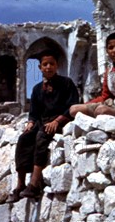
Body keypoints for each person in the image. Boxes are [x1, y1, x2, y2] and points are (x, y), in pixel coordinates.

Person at [7, 50, 79, 201]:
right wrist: (31, 122)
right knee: (24, 138)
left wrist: (57, 121)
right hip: (42, 120)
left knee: (42, 136)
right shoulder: (37, 88)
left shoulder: (67, 83)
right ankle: (20, 184)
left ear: (56, 66)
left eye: (51, 64)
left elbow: (72, 105)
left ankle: (34, 184)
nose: (48, 67)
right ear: (40, 67)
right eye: (45, 64)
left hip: (60, 119)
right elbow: (34, 111)